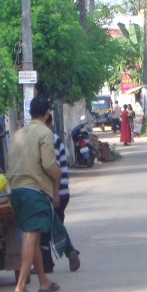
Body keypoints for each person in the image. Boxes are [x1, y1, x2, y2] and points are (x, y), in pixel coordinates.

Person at [7, 96, 65, 292]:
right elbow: (49, 164)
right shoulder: (44, 133)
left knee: (34, 236)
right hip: (35, 191)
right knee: (31, 237)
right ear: (48, 113)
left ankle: (44, 282)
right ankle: (21, 285)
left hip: (16, 191)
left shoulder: (17, 134)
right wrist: (57, 176)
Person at [40, 115, 81, 273]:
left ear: (49, 124)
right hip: (62, 192)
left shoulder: (49, 140)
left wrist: (54, 195)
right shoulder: (54, 139)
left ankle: (51, 262)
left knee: (47, 230)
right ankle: (68, 253)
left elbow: (54, 169)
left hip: (56, 192)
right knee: (55, 226)